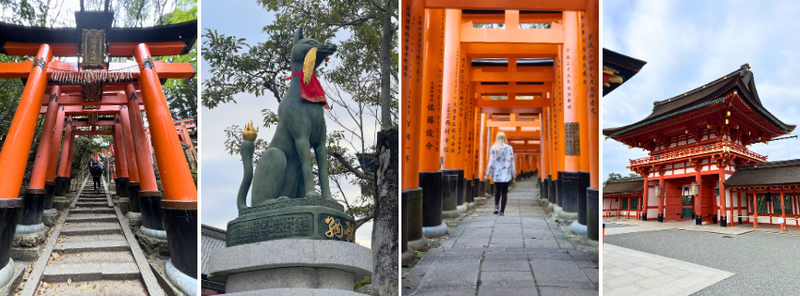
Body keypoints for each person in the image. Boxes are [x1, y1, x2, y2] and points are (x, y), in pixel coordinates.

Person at [484, 131, 515, 216]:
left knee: (497, 190)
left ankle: (496, 206)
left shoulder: (493, 148)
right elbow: (512, 161)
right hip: (506, 174)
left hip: (497, 174)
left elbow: (491, 162)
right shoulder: (509, 148)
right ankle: (502, 212)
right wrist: (514, 174)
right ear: (505, 138)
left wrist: (487, 174)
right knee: (504, 192)